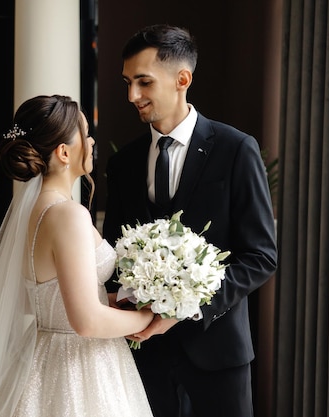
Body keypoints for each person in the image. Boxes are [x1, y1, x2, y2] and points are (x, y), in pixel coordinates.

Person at [0, 94, 154, 417]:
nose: (91, 141)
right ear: (64, 152)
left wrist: (111, 299)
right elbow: (86, 321)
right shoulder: (68, 215)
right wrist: (149, 318)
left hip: (42, 355)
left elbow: (49, 296)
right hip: (78, 368)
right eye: (84, 132)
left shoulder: (34, 212)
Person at [103, 24, 278, 417]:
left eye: (144, 82)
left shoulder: (236, 150)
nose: (133, 95)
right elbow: (114, 254)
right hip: (143, 354)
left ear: (182, 79)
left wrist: (187, 308)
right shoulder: (123, 164)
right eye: (128, 82)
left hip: (218, 353)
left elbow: (261, 256)